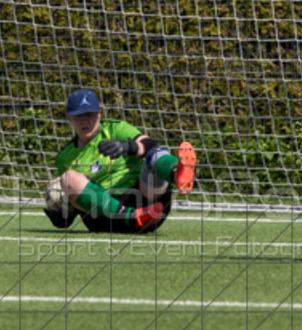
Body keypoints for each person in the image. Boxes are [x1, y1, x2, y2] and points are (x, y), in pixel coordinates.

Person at [43, 88, 197, 234]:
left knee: (155, 152)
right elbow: (76, 201)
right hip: (105, 218)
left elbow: (149, 144)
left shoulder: (115, 129)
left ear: (99, 113)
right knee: (68, 178)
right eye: (79, 116)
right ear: (69, 117)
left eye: (90, 115)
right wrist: (62, 215)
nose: (85, 122)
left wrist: (129, 146)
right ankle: (131, 216)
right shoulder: (65, 156)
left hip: (149, 205)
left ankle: (177, 173)